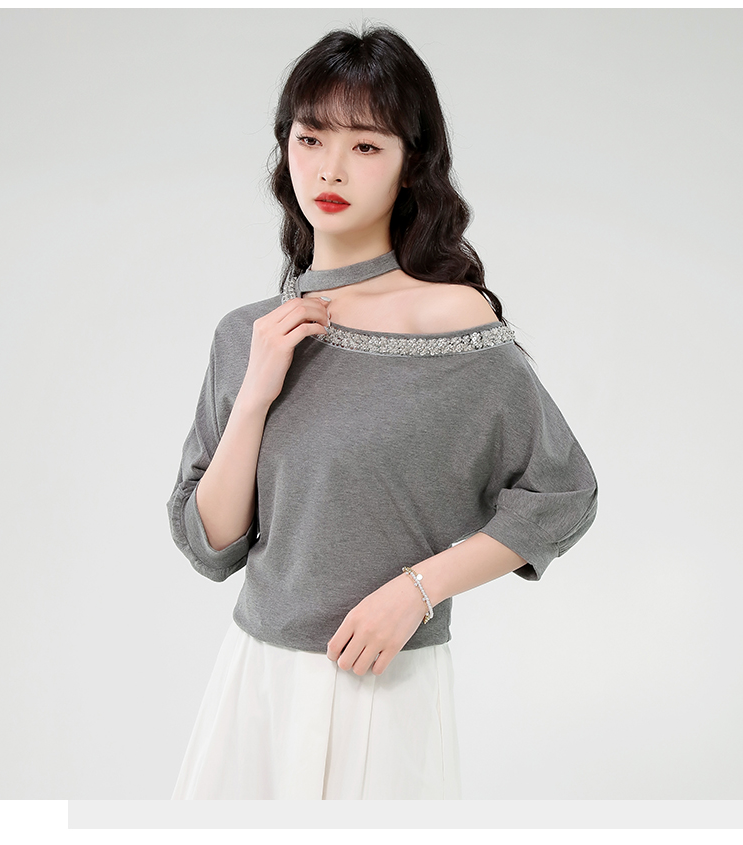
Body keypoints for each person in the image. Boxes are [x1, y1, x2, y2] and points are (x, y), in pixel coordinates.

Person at [167, 25, 598, 801]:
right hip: (255, 683)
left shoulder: (451, 321)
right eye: (310, 138)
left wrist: (418, 590)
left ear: (410, 165)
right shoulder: (250, 334)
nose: (330, 168)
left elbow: (563, 492)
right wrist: (257, 393)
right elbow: (211, 543)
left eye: (365, 145)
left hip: (387, 689)